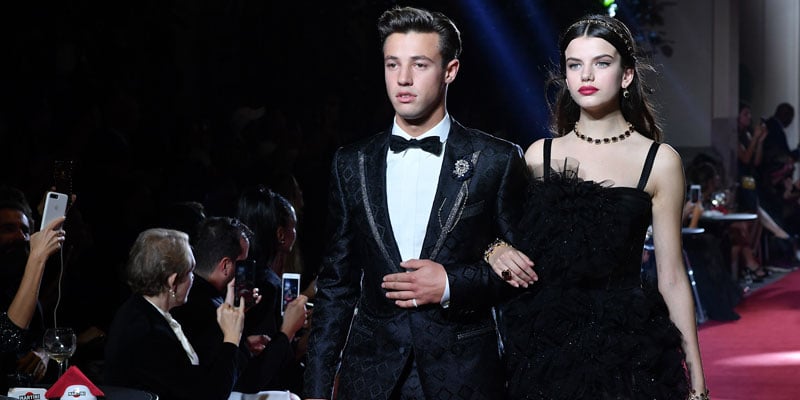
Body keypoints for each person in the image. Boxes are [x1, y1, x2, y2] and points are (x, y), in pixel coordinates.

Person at [303, 6, 528, 400]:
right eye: (393, 64)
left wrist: (450, 284)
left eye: (419, 64)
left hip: (465, 376)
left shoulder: (496, 159)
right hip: (370, 377)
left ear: (450, 71)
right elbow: (336, 286)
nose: (403, 79)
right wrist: (317, 390)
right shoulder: (352, 163)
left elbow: (524, 275)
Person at [486, 14, 708, 399]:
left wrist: (698, 383)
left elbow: (671, 276)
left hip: (626, 347)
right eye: (575, 65)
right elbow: (501, 235)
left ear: (626, 76)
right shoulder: (538, 156)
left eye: (601, 63)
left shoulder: (659, 162)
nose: (586, 75)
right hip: (544, 343)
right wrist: (495, 249)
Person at [104, 228, 246, 400]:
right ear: (172, 282)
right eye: (190, 272)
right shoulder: (148, 333)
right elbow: (209, 395)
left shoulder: (142, 309)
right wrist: (232, 339)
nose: (193, 278)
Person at [235, 185, 309, 394]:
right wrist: (297, 339)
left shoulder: (239, 276)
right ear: (281, 235)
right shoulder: (269, 287)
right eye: (293, 227)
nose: (295, 233)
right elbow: (271, 363)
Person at [170, 217, 255, 391]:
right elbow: (245, 380)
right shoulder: (212, 313)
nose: (246, 271)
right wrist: (287, 331)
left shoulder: (185, 298)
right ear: (226, 266)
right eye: (243, 264)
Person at [1, 186, 65, 391]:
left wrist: (43, 354)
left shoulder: (19, 278)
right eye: (8, 229)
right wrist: (37, 258)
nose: (21, 237)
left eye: (25, 230)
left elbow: (39, 336)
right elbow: (7, 340)